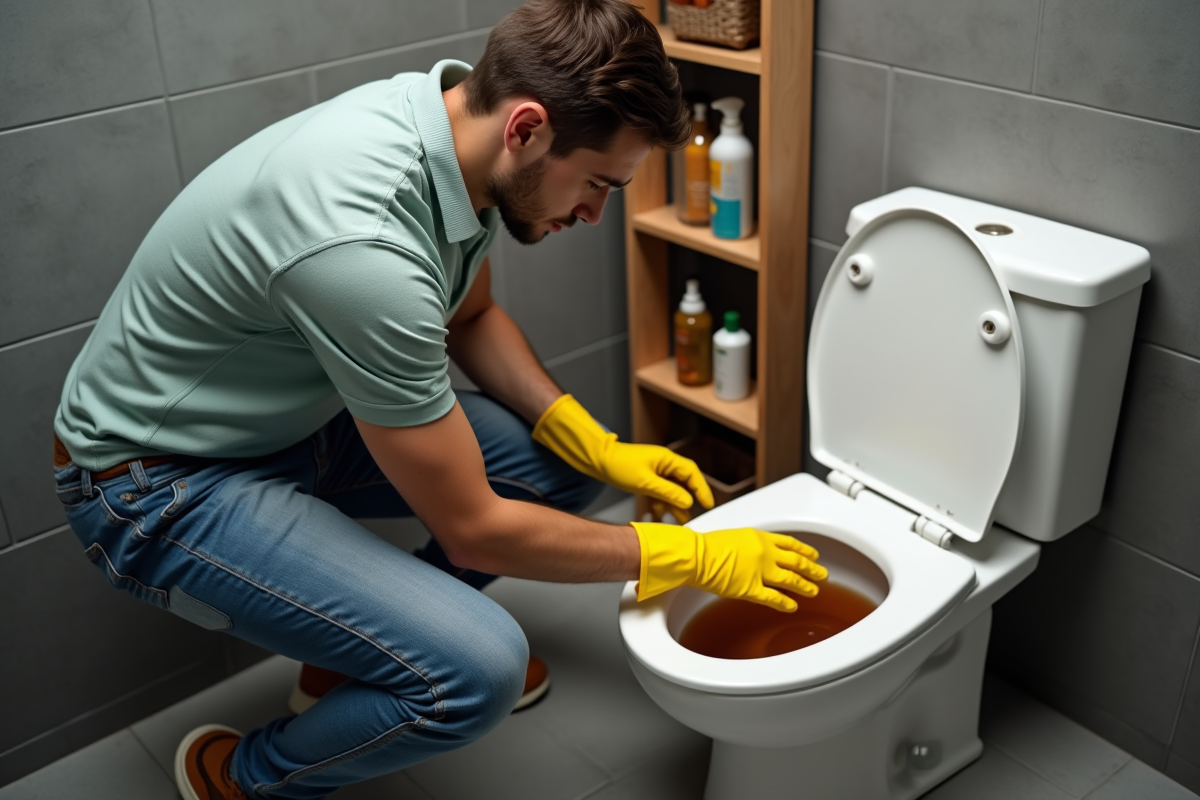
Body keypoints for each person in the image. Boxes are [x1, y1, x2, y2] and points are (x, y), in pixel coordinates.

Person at [51, 1, 828, 797]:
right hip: (157, 480)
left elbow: (473, 316)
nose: (596, 212)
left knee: (553, 466)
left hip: (294, 419)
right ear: (528, 128)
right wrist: (685, 555)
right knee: (478, 669)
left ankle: (358, 649)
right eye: (597, 182)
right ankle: (240, 777)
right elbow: (475, 533)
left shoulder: (452, 130)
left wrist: (588, 438)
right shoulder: (365, 244)